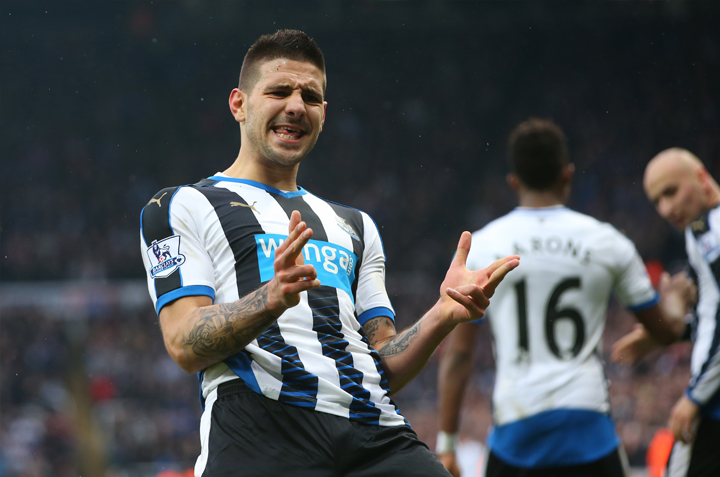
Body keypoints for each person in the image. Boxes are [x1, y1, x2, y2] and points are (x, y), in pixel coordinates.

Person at [139, 29, 519, 477]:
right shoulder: (181, 205)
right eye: (279, 90)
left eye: (311, 96)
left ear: (323, 113)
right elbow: (184, 343)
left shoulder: (355, 226)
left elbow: (384, 364)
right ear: (239, 104)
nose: (296, 105)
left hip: (374, 431)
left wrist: (442, 314)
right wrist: (270, 299)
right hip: (260, 426)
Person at [436, 119, 692, 477]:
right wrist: (676, 302)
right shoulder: (607, 241)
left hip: (515, 431)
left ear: (514, 182)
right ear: (567, 175)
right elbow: (666, 330)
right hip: (587, 428)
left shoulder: (482, 246)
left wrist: (447, 444)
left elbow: (459, 355)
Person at [613, 148, 720, 476]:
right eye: (657, 200)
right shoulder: (698, 230)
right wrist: (675, 332)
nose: (666, 209)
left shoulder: (710, 231)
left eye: (671, 192)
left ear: (701, 178)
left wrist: (694, 398)